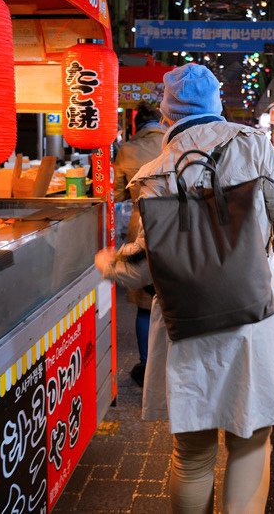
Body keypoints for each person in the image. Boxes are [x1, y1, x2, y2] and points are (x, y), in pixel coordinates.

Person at [95, 64, 274, 513]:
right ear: (217, 104)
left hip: (186, 324)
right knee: (251, 445)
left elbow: (143, 269)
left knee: (192, 456)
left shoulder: (152, 174)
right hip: (252, 320)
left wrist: (109, 263)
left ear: (167, 112)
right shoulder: (253, 147)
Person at [113, 102, 168, 386]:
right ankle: (171, 367)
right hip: (176, 229)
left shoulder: (127, 150)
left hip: (141, 226)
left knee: (145, 305)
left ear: (137, 125)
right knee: (174, 299)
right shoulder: (174, 144)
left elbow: (116, 193)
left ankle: (147, 368)